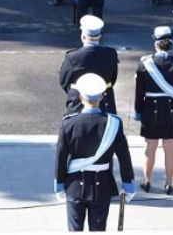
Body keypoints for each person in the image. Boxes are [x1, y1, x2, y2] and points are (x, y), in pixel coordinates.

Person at [55, 73, 135, 232]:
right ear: (102, 97)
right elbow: (124, 157)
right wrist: (128, 184)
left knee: (74, 230)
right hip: (102, 185)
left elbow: (61, 156)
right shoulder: (114, 123)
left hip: (74, 185)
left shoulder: (69, 123)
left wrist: (59, 184)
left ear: (80, 97)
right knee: (98, 229)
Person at [133, 26, 173, 195]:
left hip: (151, 111)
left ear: (156, 43)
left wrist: (138, 111)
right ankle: (169, 184)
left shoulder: (145, 63)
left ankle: (147, 181)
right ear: (171, 44)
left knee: (150, 148)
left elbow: (139, 93)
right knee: (169, 149)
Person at [59, 15, 119, 116]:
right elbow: (112, 79)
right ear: (100, 36)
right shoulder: (111, 54)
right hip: (105, 101)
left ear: (83, 36)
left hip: (78, 101)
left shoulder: (72, 57)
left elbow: (64, 82)